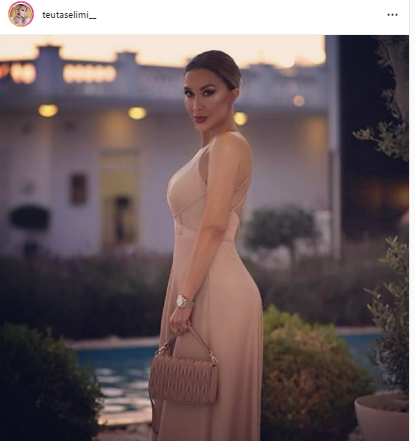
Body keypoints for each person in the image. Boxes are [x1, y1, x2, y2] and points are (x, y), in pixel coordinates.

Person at [151, 50, 263, 441]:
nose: (196, 104)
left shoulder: (229, 144)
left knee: (199, 409)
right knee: (187, 400)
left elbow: (215, 226)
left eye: (208, 92)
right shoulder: (211, 148)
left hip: (213, 292)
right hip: (196, 285)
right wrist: (183, 294)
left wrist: (186, 299)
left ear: (234, 93)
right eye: (189, 93)